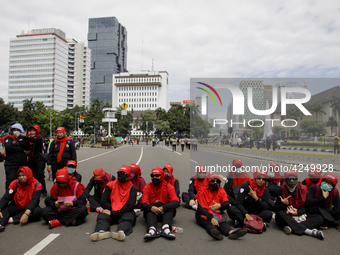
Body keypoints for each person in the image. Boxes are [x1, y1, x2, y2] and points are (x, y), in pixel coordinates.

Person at [90, 165, 137, 241]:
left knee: (128, 217)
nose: (121, 176)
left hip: (124, 212)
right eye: (119, 174)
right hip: (111, 209)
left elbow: (130, 206)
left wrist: (114, 213)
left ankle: (121, 231)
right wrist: (112, 210)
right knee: (102, 216)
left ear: (128, 176)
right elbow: (103, 202)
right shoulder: (110, 185)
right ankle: (102, 231)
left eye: (123, 174)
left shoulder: (132, 188)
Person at [195, 173, 247, 240]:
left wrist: (220, 205)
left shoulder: (221, 190)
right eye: (213, 181)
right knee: (209, 223)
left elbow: (226, 203)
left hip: (216, 213)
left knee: (222, 223)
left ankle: (232, 232)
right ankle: (216, 233)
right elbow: (201, 209)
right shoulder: (202, 191)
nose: (215, 183)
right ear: (208, 182)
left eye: (217, 181)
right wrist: (211, 218)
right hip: (204, 214)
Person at [275, 170, 324, 240]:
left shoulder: (303, 189)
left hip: (299, 214)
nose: (292, 181)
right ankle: (308, 231)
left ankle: (292, 227)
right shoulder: (280, 190)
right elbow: (276, 208)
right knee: (279, 214)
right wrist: (283, 204)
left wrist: (298, 212)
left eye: (294, 178)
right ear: (285, 180)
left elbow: (306, 207)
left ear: (297, 179)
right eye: (289, 179)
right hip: (287, 214)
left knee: (319, 218)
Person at [141, 167, 180, 240]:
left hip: (164, 209)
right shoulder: (148, 186)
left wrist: (164, 208)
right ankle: (152, 229)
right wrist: (151, 208)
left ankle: (165, 228)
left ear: (162, 176)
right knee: (147, 210)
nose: (154, 178)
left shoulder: (168, 186)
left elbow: (176, 202)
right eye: (153, 176)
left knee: (171, 208)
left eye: (157, 176)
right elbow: (143, 202)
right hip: (152, 209)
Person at [0, 167, 42, 232]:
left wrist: (26, 214)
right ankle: (1, 224)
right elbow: (6, 197)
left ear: (28, 175)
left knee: (38, 211)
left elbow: (35, 200)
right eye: (19, 176)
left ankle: (11, 220)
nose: (21, 177)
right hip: (17, 206)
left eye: (23, 175)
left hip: (29, 208)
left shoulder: (37, 184)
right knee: (5, 209)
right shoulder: (15, 183)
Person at [20, 125, 47, 197]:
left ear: (37, 131)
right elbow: (25, 147)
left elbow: (34, 140)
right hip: (31, 160)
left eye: (33, 130)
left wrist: (24, 136)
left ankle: (43, 191)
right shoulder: (28, 139)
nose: (32, 132)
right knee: (31, 176)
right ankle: (33, 190)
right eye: (31, 130)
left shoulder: (39, 138)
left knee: (40, 176)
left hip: (39, 160)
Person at [2, 123, 30, 190]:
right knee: (11, 181)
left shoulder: (22, 139)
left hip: (22, 164)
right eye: (14, 130)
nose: (16, 131)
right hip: (11, 164)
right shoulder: (8, 138)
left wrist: (24, 138)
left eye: (18, 130)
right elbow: (9, 147)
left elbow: (27, 147)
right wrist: (21, 149)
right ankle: (10, 197)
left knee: (23, 181)